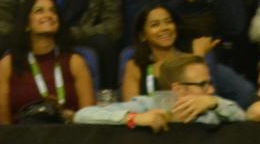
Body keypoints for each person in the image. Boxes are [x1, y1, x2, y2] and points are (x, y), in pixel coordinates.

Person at [0, 0, 95, 122]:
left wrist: (71, 117)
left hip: (69, 136)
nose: (48, 15)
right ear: (27, 24)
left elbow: (90, 118)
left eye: (53, 11)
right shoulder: (8, 63)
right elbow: (3, 123)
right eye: (39, 11)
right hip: (22, 138)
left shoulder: (75, 62)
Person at [73, 52, 244, 127]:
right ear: (179, 89)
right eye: (203, 85)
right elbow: (82, 116)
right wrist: (135, 119)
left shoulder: (212, 110)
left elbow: (242, 116)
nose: (211, 90)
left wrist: (214, 103)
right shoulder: (148, 106)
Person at [121, 4, 194, 98]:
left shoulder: (190, 61)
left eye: (169, 22)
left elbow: (202, 101)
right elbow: (130, 107)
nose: (164, 28)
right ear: (143, 35)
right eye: (155, 25)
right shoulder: (134, 67)